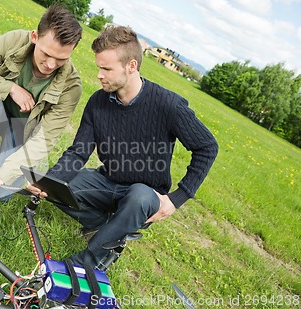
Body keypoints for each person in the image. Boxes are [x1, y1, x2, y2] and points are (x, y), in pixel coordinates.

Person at [28, 25, 219, 268]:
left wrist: (176, 199)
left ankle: (84, 263)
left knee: (138, 197)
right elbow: (79, 152)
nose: (99, 75)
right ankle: (106, 226)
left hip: (145, 194)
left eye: (106, 69)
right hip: (107, 181)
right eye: (99, 67)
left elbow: (207, 147)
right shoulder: (98, 102)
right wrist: (49, 182)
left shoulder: (168, 104)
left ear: (131, 66)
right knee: (61, 187)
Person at [0, 4, 83, 198]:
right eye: (46, 54)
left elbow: (43, 140)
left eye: (61, 59)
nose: (51, 65)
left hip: (24, 138)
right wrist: (9, 88)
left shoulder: (72, 86)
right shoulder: (14, 41)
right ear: (34, 37)